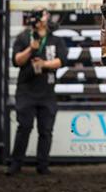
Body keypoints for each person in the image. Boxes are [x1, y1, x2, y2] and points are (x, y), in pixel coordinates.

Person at [5, 9, 67, 176]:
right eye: (42, 17)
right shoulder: (24, 37)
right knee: (24, 127)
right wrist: (31, 49)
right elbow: (17, 61)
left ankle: (42, 165)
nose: (43, 20)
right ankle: (15, 164)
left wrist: (44, 64)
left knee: (45, 130)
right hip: (26, 90)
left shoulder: (55, 39)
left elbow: (62, 60)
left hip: (47, 90)